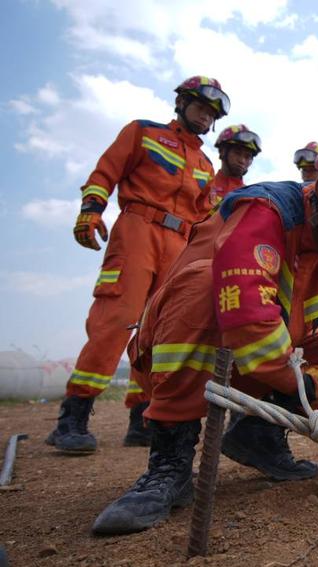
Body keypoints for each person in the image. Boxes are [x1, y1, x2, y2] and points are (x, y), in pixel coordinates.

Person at [91, 130, 318, 535]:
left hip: (265, 365)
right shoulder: (266, 211)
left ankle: (259, 436)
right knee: (205, 290)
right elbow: (248, 316)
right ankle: (170, 463)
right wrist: (297, 384)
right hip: (188, 354)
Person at [46, 76, 230, 454]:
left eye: (212, 114)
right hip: (137, 231)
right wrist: (90, 210)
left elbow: (205, 211)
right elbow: (105, 172)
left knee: (159, 331)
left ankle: (141, 417)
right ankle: (73, 417)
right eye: (200, 107)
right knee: (117, 318)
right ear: (181, 103)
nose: (205, 117)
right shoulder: (143, 133)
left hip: (180, 245)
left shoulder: (205, 162)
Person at [208, 124, 262, 205]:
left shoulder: (251, 197)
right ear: (223, 151)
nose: (242, 160)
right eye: (237, 153)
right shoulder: (205, 184)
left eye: (247, 156)